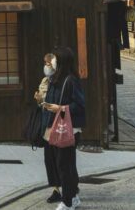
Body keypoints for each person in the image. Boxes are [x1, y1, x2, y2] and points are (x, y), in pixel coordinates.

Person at [41, 47, 85, 210]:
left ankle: (67, 202)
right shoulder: (55, 78)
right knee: (64, 164)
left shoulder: (70, 80)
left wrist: (60, 108)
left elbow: (79, 105)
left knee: (65, 165)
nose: (52, 62)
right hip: (54, 127)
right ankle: (72, 198)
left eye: (55, 60)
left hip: (67, 128)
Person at [33, 53, 62, 204]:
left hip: (59, 124)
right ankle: (56, 189)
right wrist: (39, 100)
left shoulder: (62, 81)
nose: (46, 66)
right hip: (47, 125)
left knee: (61, 159)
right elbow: (43, 103)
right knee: (49, 159)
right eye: (45, 63)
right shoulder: (45, 80)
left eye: (49, 63)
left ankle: (70, 188)